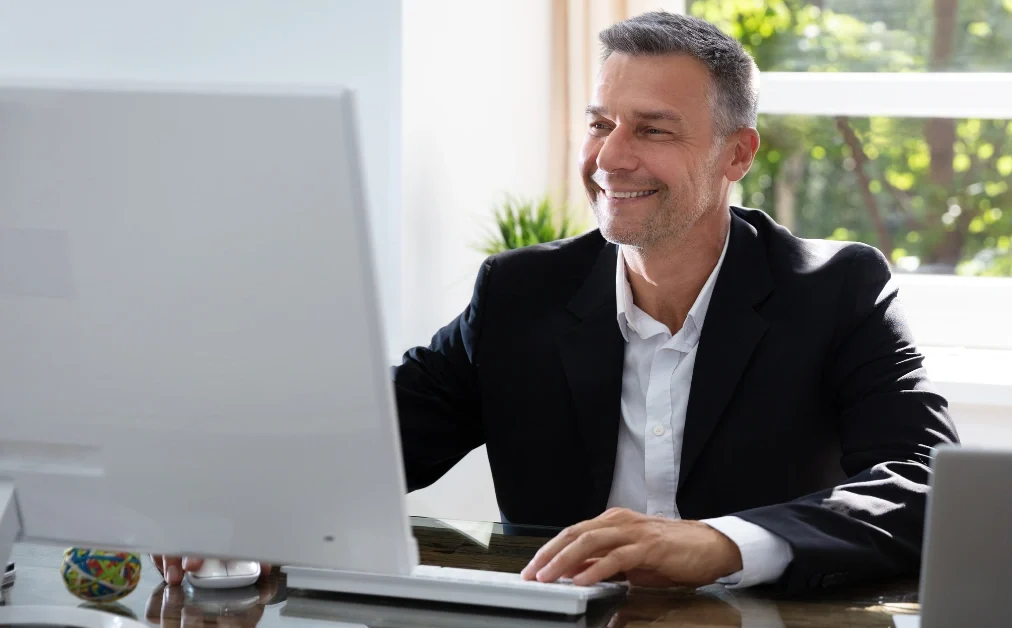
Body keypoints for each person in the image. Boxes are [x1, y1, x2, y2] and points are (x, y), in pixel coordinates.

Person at [157, 11, 958, 595]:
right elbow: (374, 438)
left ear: (736, 154)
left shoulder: (837, 289)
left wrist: (723, 543)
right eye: (600, 123)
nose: (610, 157)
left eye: (652, 130)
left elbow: (927, 485)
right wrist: (243, 511)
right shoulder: (518, 295)